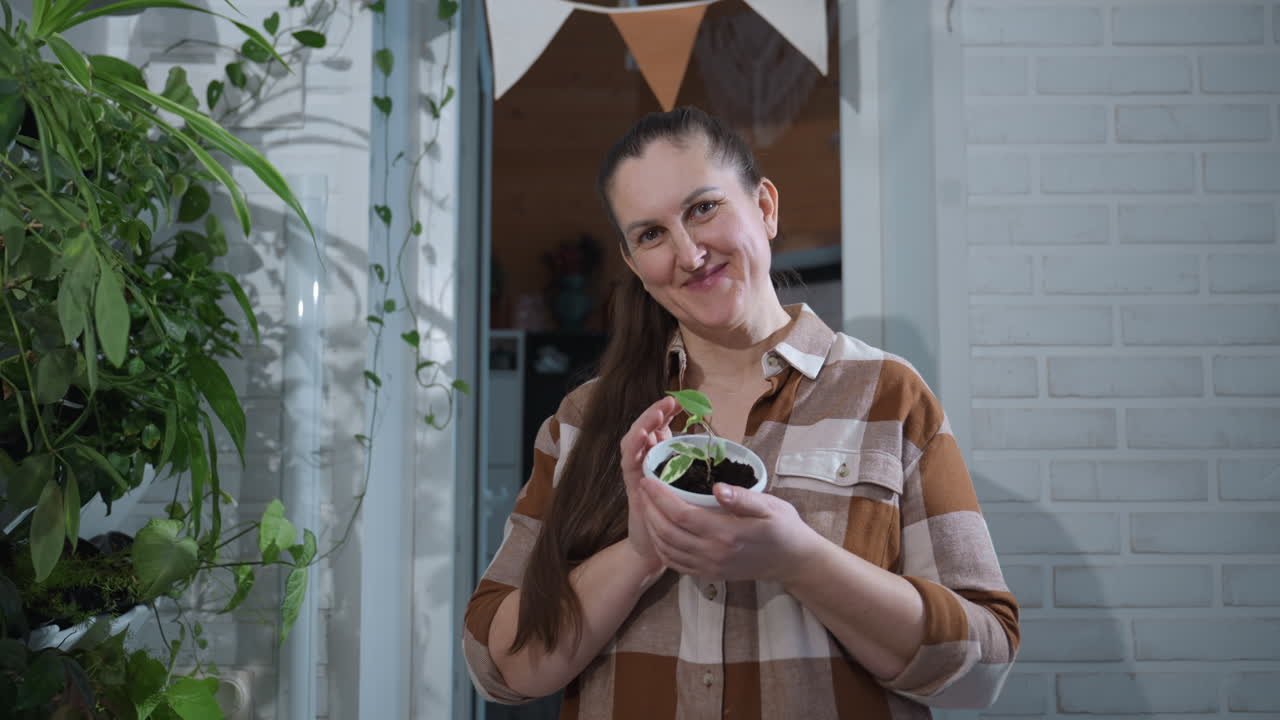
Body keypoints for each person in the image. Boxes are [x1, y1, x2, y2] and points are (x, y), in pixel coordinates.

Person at [463, 107, 1019, 718]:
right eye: (650, 234)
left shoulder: (889, 396)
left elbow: (982, 669)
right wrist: (640, 553)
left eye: (703, 208)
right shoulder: (583, 419)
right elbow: (497, 666)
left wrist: (799, 558)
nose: (688, 253)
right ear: (632, 264)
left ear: (766, 207)